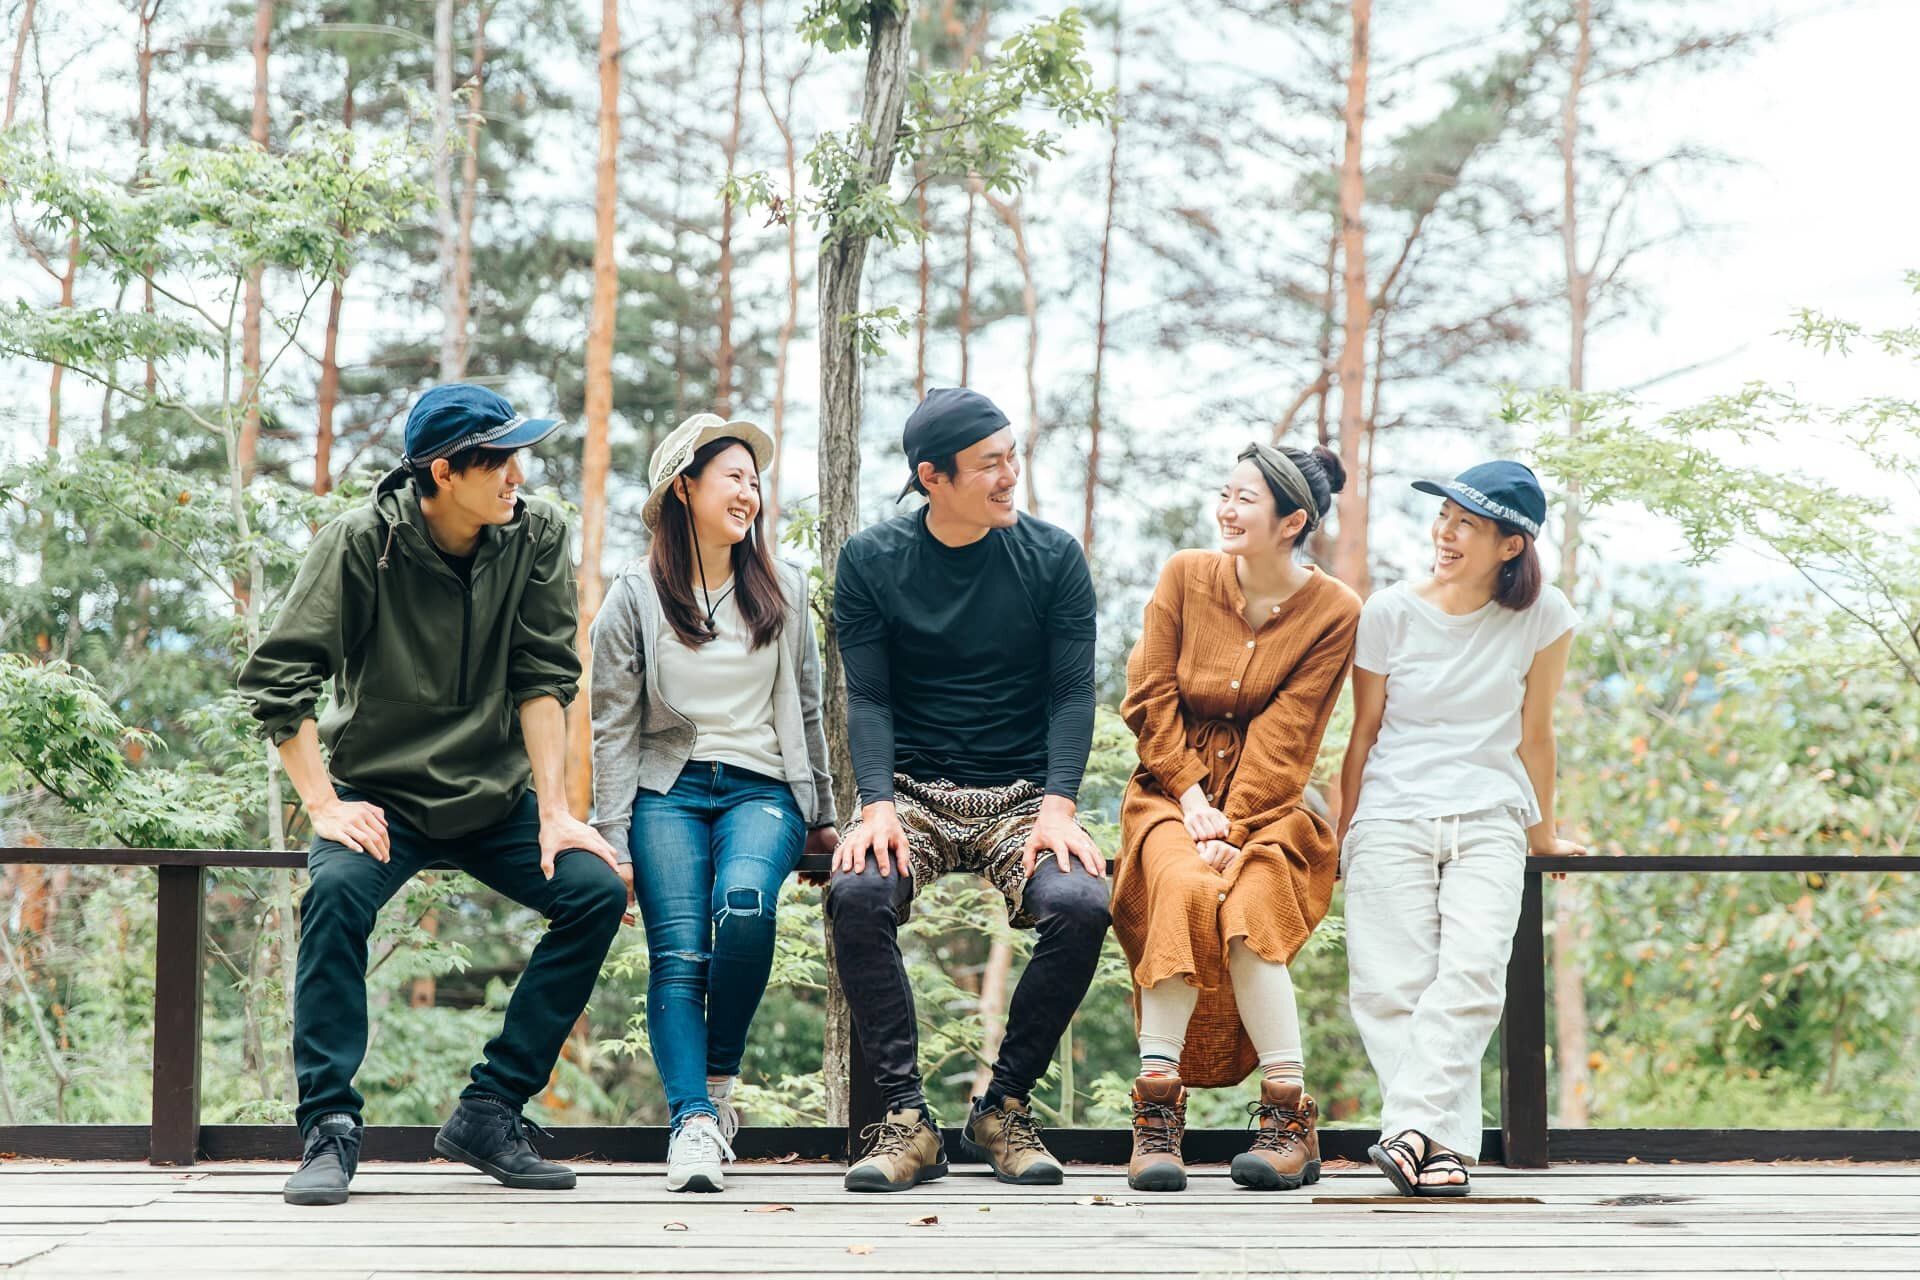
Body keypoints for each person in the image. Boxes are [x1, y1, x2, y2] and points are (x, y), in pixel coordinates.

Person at [238, 384, 630, 1207]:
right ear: (444, 472)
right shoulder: (362, 543)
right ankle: (328, 1128)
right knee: (335, 897)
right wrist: (324, 805)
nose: (519, 476)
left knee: (594, 892)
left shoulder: (536, 533)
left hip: (496, 799)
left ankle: (491, 1110)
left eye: (520, 459)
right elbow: (280, 680)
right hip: (381, 796)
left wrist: (554, 813)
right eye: (501, 461)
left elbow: (543, 676)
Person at [826, 387, 1111, 1193]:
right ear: (933, 477)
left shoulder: (1053, 558)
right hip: (910, 791)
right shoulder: (871, 560)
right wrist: (876, 803)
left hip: (1023, 795)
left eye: (1012, 457)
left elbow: (1072, 693)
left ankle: (1003, 1107)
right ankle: (906, 1121)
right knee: (858, 892)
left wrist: (1058, 805)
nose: (1010, 475)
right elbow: (868, 698)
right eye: (989, 464)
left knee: (1081, 903)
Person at [589, 414, 838, 1194]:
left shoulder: (785, 586)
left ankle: (718, 1079)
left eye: (755, 482)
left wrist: (825, 816)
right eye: (733, 476)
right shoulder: (634, 595)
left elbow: (806, 709)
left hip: (763, 788)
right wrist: (613, 839)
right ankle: (693, 1122)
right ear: (683, 487)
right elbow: (612, 725)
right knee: (679, 957)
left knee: (746, 906)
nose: (749, 494)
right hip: (668, 791)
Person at [1113, 443, 1360, 1193]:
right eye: (1225, 493)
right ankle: (1157, 1116)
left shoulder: (1334, 610)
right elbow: (1149, 696)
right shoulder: (1186, 575)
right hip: (1168, 793)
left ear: (1292, 522)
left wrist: (1237, 827)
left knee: (1254, 907)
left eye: (1244, 499)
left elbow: (1291, 736)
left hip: (1273, 808)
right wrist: (1195, 805)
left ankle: (1288, 1120)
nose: (1225, 509)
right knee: (1185, 888)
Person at [1337, 460, 1582, 1198]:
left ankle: (1407, 1128)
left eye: (1465, 524)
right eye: (1444, 516)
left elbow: (1536, 734)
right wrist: (1345, 834)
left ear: (1511, 545)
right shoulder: (1388, 611)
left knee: (1472, 976)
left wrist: (1543, 835)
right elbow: (1364, 733)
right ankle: (1442, 1150)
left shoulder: (1544, 615)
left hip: (1489, 815)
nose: (1444, 533)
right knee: (1391, 990)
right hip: (1391, 813)